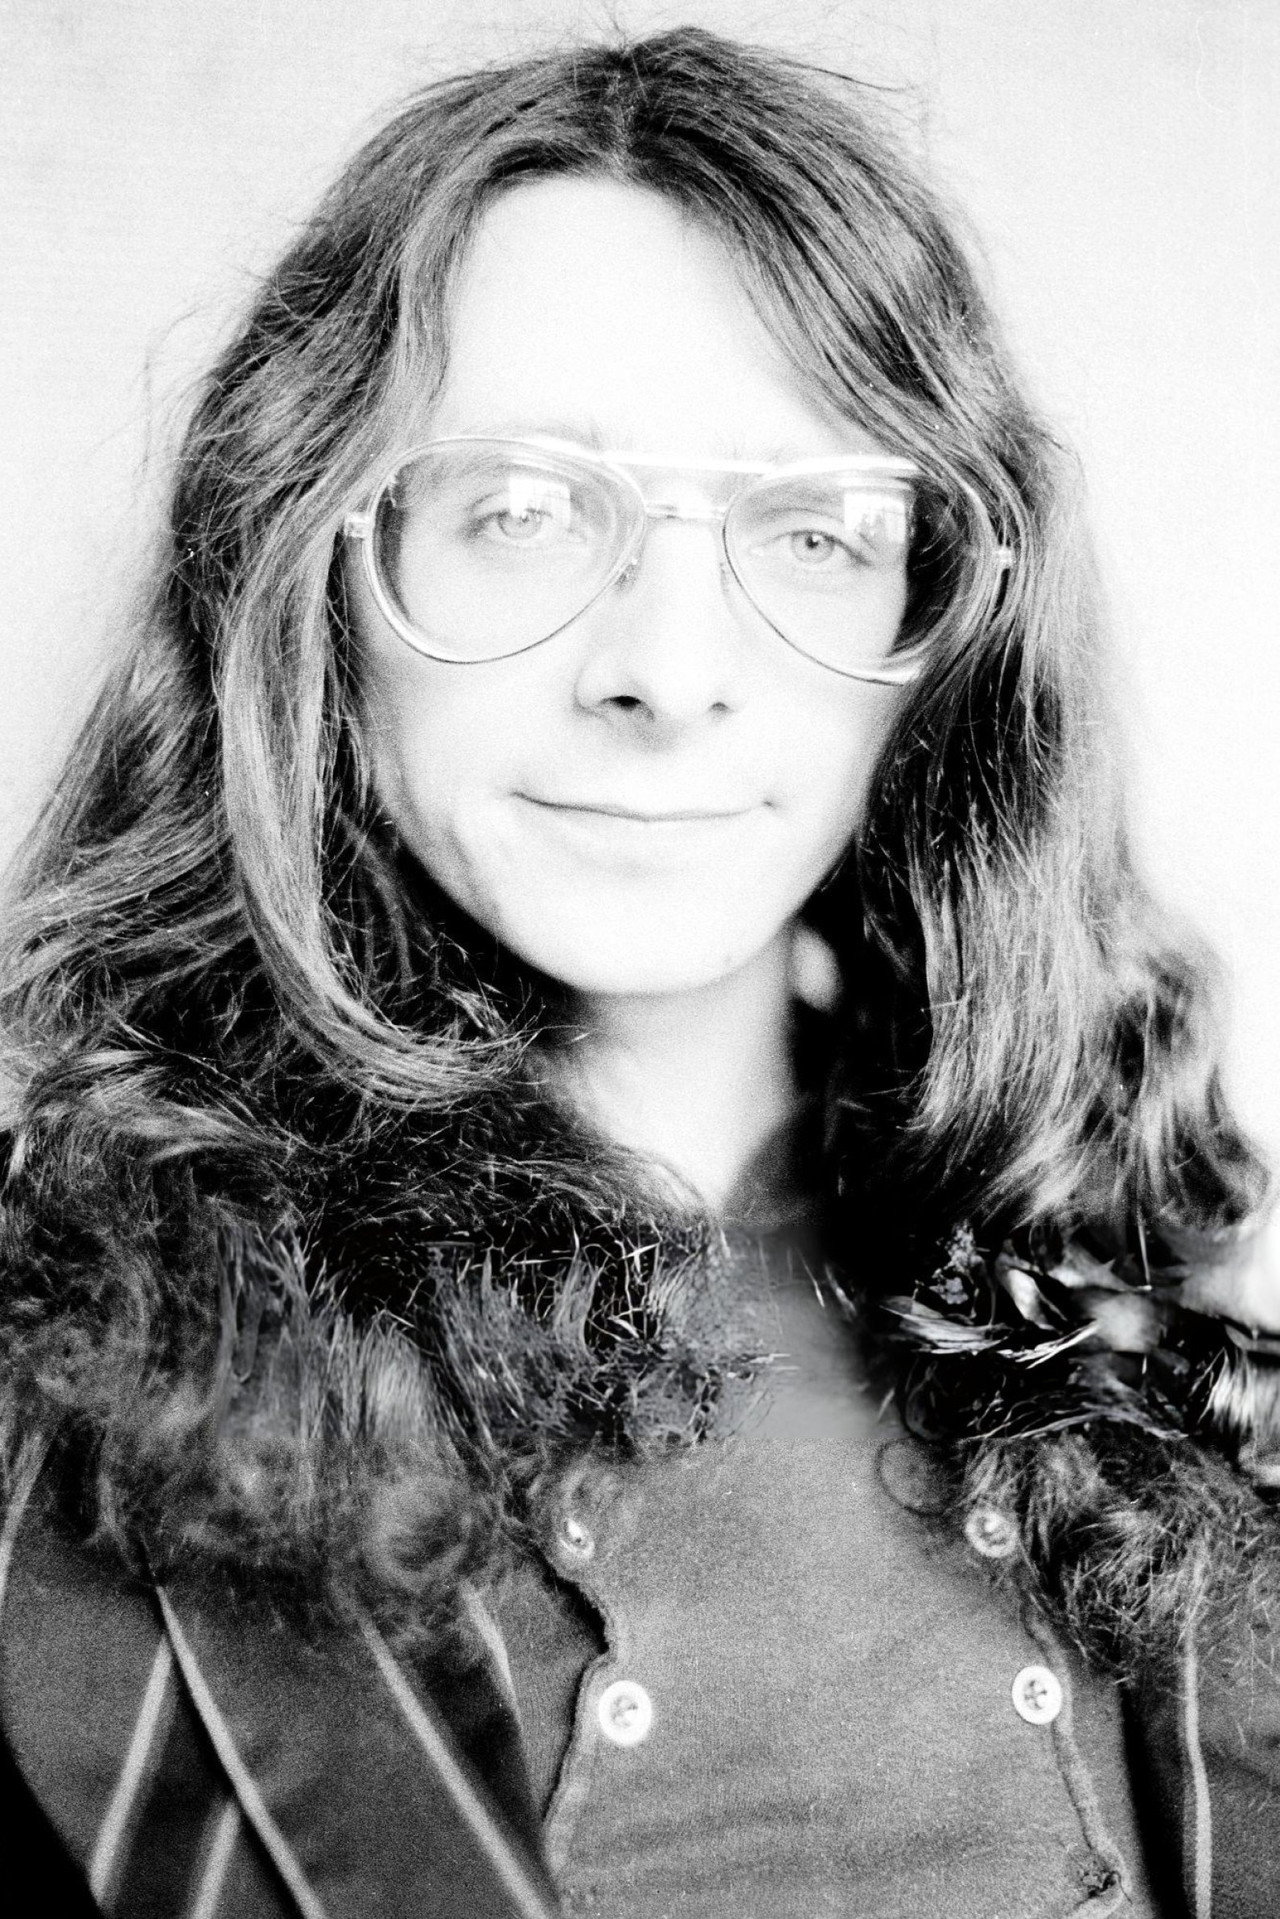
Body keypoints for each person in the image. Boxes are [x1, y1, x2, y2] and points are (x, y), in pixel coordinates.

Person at [0, 25, 1276, 1919]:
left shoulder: (1139, 1299)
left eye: (815, 528)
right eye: (519, 510)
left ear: (937, 633)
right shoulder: (51, 1371)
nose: (669, 673)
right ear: (313, 584)